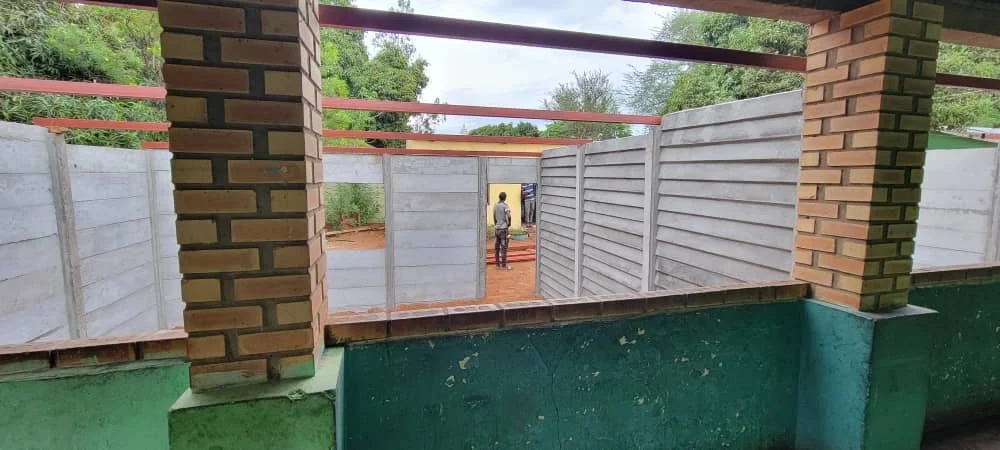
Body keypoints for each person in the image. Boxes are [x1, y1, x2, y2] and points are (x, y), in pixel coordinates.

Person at [493, 192, 512, 270]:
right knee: (504, 247)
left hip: (497, 228)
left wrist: (496, 224)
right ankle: (504, 265)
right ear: (505, 198)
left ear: (499, 197)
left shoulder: (495, 205)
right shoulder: (505, 205)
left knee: (497, 247)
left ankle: (497, 265)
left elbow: (494, 216)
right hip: (503, 229)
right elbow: (509, 215)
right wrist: (509, 223)